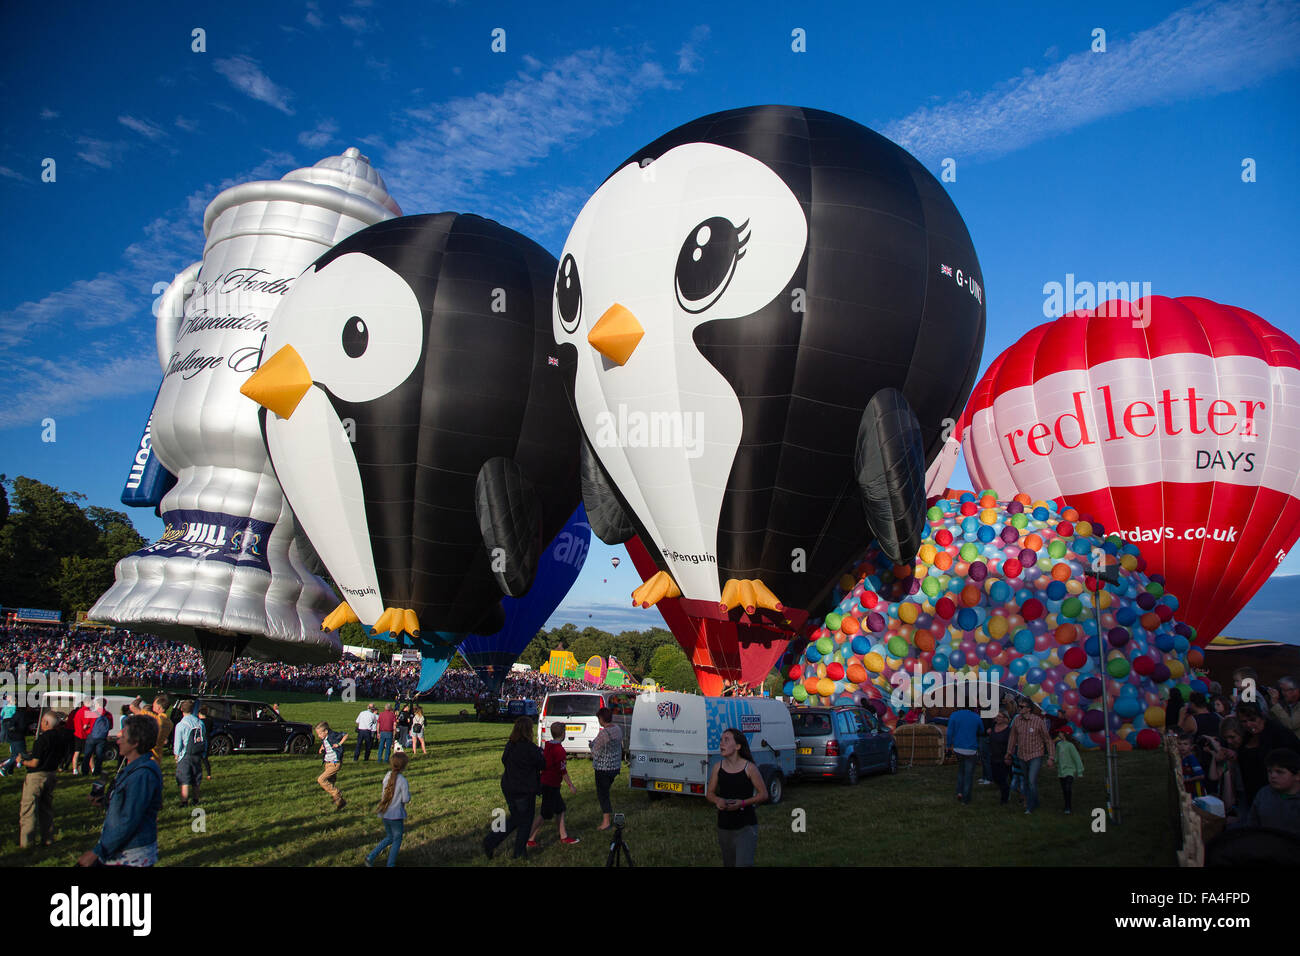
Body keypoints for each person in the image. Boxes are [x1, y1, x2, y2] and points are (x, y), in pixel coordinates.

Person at [77, 714, 163, 867]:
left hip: (131, 853)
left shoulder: (142, 775)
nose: (118, 741)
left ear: (135, 743)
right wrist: (104, 802)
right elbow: (127, 805)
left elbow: (128, 819)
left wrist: (97, 851)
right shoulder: (133, 769)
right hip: (121, 848)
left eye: (123, 736)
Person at [483, 717, 545, 860]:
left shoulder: (510, 745)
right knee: (525, 820)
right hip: (524, 788)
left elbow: (504, 760)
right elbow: (542, 764)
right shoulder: (531, 749)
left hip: (509, 785)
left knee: (516, 817)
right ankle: (518, 851)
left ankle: (492, 840)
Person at [706, 728, 768, 867]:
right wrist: (718, 800)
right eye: (721, 740)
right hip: (724, 826)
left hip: (746, 826)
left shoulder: (749, 768)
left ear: (738, 746)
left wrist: (743, 803)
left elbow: (763, 794)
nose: (721, 743)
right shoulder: (718, 767)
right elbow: (709, 793)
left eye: (726, 740)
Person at [1233, 702, 1300, 812]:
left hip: (1280, 797)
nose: (1248, 724)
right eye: (1244, 722)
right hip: (1253, 795)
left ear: (1262, 716)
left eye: (1252, 720)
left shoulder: (1280, 733)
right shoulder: (1246, 736)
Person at [18, 712, 72, 847]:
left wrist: (22, 761)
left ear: (46, 723)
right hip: (51, 774)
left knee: (29, 809)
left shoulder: (42, 740)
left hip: (36, 776)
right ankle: (48, 838)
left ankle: (27, 842)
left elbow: (35, 763)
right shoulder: (61, 738)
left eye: (42, 721)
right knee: (46, 809)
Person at [528, 721, 579, 848]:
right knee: (545, 813)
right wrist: (570, 785)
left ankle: (563, 836)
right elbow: (562, 770)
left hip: (546, 782)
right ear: (563, 734)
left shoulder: (548, 746)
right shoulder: (559, 751)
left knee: (560, 809)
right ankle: (529, 838)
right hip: (551, 784)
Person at [1006, 699, 1053, 814]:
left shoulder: (1038, 721)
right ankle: (1035, 801)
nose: (1019, 708)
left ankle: (1030, 807)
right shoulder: (1017, 720)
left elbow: (1047, 739)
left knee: (1031, 780)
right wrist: (1009, 752)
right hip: (1022, 755)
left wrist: (1051, 757)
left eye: (1022, 707)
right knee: (1026, 781)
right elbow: (1013, 738)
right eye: (1019, 706)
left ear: (1029, 709)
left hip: (1036, 755)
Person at [365, 752, 411, 867]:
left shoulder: (387, 776)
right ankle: (390, 864)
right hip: (396, 815)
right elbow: (405, 799)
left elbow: (383, 793)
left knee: (390, 837)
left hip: (385, 812)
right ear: (404, 766)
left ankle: (371, 856)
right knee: (397, 839)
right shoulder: (402, 780)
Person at [1243, 749, 1300, 837]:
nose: (1273, 776)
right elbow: (1252, 824)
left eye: (1279, 772)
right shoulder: (1264, 794)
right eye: (1269, 771)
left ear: (1297, 776)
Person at [591, 706, 624, 830]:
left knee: (603, 795)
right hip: (615, 767)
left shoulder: (603, 733)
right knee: (606, 792)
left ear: (601, 718)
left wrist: (591, 746)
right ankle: (606, 820)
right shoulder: (617, 729)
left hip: (603, 769)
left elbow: (595, 752)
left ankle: (606, 822)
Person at [946, 706, 983, 805]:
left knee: (961, 771)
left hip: (958, 748)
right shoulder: (976, 717)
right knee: (968, 775)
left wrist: (948, 745)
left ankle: (959, 792)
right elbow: (981, 730)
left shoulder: (954, 715)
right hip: (971, 749)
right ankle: (966, 798)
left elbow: (949, 732)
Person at [172, 700, 205, 808]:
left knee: (184, 778)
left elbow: (178, 743)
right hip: (197, 753)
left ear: (182, 709)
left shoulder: (181, 725)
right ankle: (196, 800)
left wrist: (176, 755)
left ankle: (184, 801)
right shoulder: (200, 723)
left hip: (185, 754)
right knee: (196, 777)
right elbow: (204, 738)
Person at [314, 721, 348, 810]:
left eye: (320, 733)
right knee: (331, 781)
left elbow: (345, 735)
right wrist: (322, 747)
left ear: (326, 731)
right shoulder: (324, 738)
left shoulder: (333, 735)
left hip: (335, 763)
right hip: (327, 763)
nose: (319, 736)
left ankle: (337, 794)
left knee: (321, 779)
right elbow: (325, 742)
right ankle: (340, 802)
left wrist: (339, 744)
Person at [1054, 727, 1083, 814]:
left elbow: (1077, 758)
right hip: (1061, 771)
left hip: (1070, 770)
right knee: (1064, 789)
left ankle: (1068, 807)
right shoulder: (1059, 745)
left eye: (1060, 732)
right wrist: (1053, 761)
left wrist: (1080, 771)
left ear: (1064, 734)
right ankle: (1066, 804)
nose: (1058, 734)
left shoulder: (1070, 746)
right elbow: (1057, 757)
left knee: (1067, 787)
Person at [988, 711, 1012, 804]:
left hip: (1004, 757)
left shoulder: (1008, 730)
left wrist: (1008, 756)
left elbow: (1011, 743)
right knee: (995, 778)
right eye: (997, 716)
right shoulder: (993, 727)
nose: (997, 718)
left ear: (1005, 719)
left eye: (1000, 716)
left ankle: (1004, 798)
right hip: (993, 756)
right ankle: (1006, 790)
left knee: (1002, 778)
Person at [0, 694, 28, 777]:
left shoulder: (16, 713)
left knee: (14, 755)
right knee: (20, 754)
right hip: (18, 737)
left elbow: (3, 715)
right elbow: (22, 726)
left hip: (12, 735)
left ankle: (10, 770)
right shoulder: (21, 714)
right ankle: (4, 767)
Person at [85, 700, 112, 777]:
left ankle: (85, 771)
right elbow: (110, 726)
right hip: (102, 737)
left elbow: (86, 724)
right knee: (99, 755)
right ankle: (96, 771)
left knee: (88, 754)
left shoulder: (93, 713)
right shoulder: (108, 714)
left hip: (91, 735)